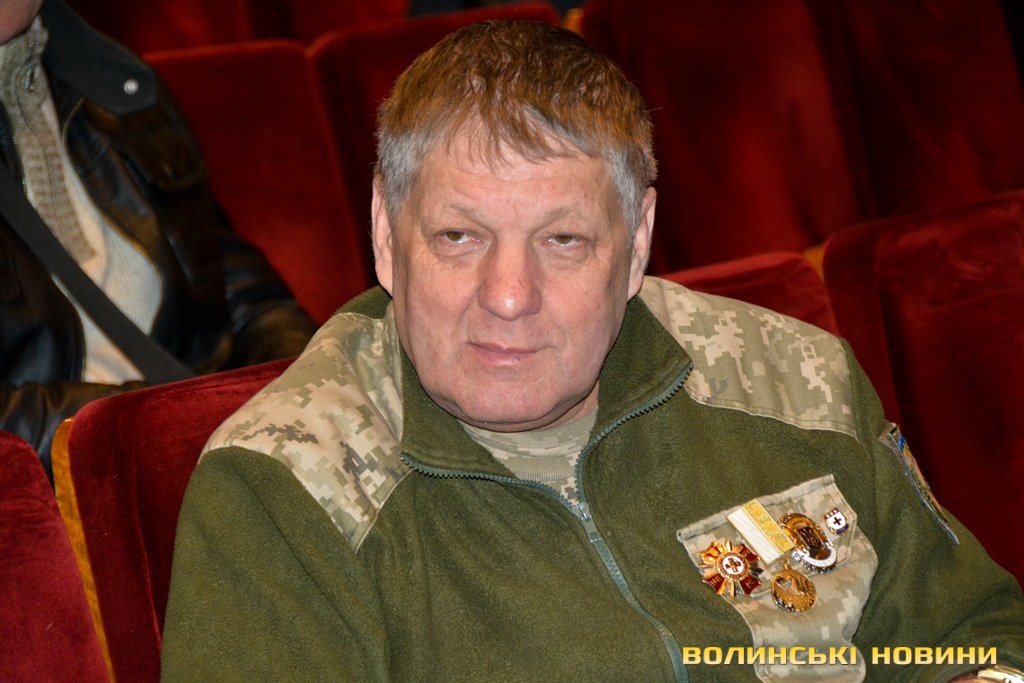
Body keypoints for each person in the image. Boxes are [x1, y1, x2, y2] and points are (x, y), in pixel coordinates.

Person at [160, 20, 1024, 682]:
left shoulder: (792, 380)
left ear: (638, 238)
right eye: (459, 236)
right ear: (386, 233)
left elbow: (976, 638)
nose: (508, 294)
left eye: (564, 240)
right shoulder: (285, 491)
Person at [0, 0, 318, 478]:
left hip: (206, 448)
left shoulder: (117, 84)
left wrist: (308, 381)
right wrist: (161, 420)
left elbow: (238, 291)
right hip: (66, 486)